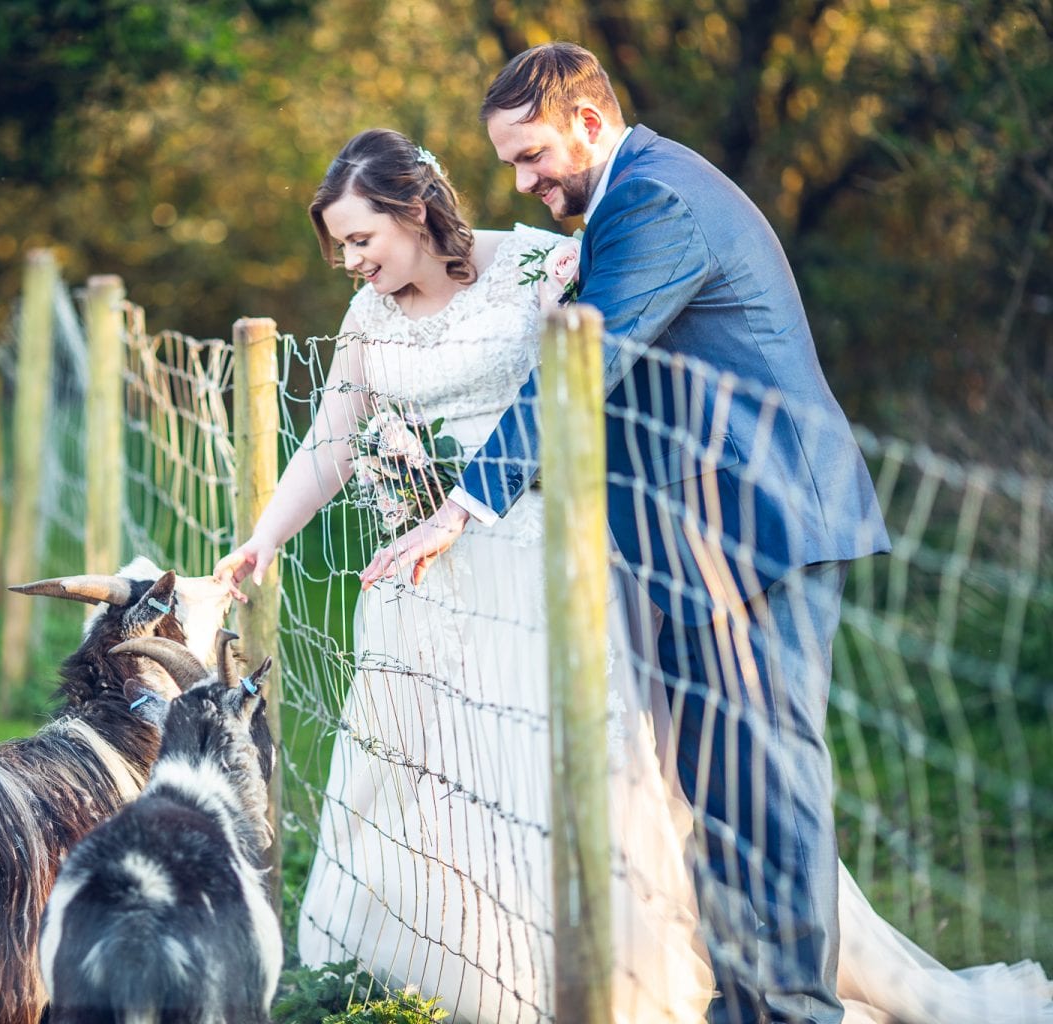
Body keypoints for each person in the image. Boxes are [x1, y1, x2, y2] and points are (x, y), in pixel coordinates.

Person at [351, 42, 1053, 1024]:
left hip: (750, 531)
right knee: (723, 791)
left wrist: (464, 504)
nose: (520, 179)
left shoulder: (654, 203)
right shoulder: (634, 196)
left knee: (764, 790)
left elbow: (581, 373)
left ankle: (789, 1010)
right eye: (510, 162)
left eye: (532, 153)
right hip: (703, 539)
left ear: (590, 122)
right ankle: (757, 1004)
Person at [215, 126, 716, 1023]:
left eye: (360, 239)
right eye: (338, 247)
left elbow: (612, 381)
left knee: (536, 774)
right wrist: (265, 539)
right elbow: (332, 442)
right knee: (419, 786)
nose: (349, 263)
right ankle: (413, 992)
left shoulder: (542, 268)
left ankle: (577, 986)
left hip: (531, 571)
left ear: (414, 213)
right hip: (417, 587)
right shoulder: (367, 316)